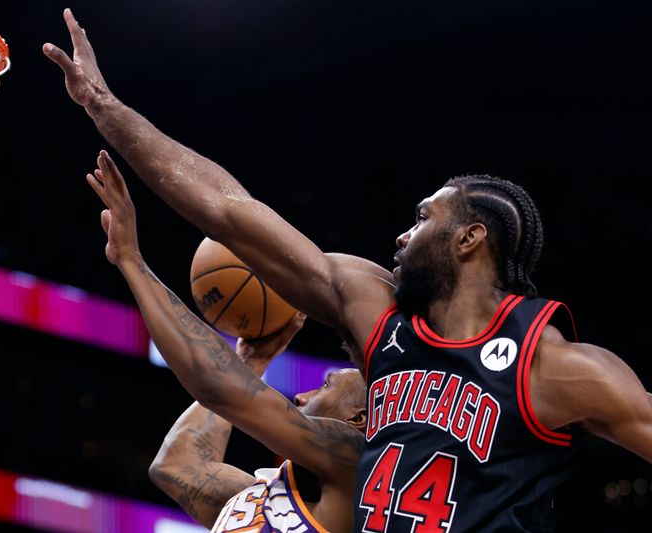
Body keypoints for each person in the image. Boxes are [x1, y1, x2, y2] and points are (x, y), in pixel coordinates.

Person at [44, 9, 652, 531]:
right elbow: (226, 210)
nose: (402, 234)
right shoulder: (375, 313)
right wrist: (103, 108)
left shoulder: (556, 369)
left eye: (423, 219)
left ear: (470, 238)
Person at [85, 150, 368, 532]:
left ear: (359, 419)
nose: (300, 396)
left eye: (326, 386)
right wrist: (251, 361)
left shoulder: (357, 468)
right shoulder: (267, 494)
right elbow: (176, 466)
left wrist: (133, 261)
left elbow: (218, 388)